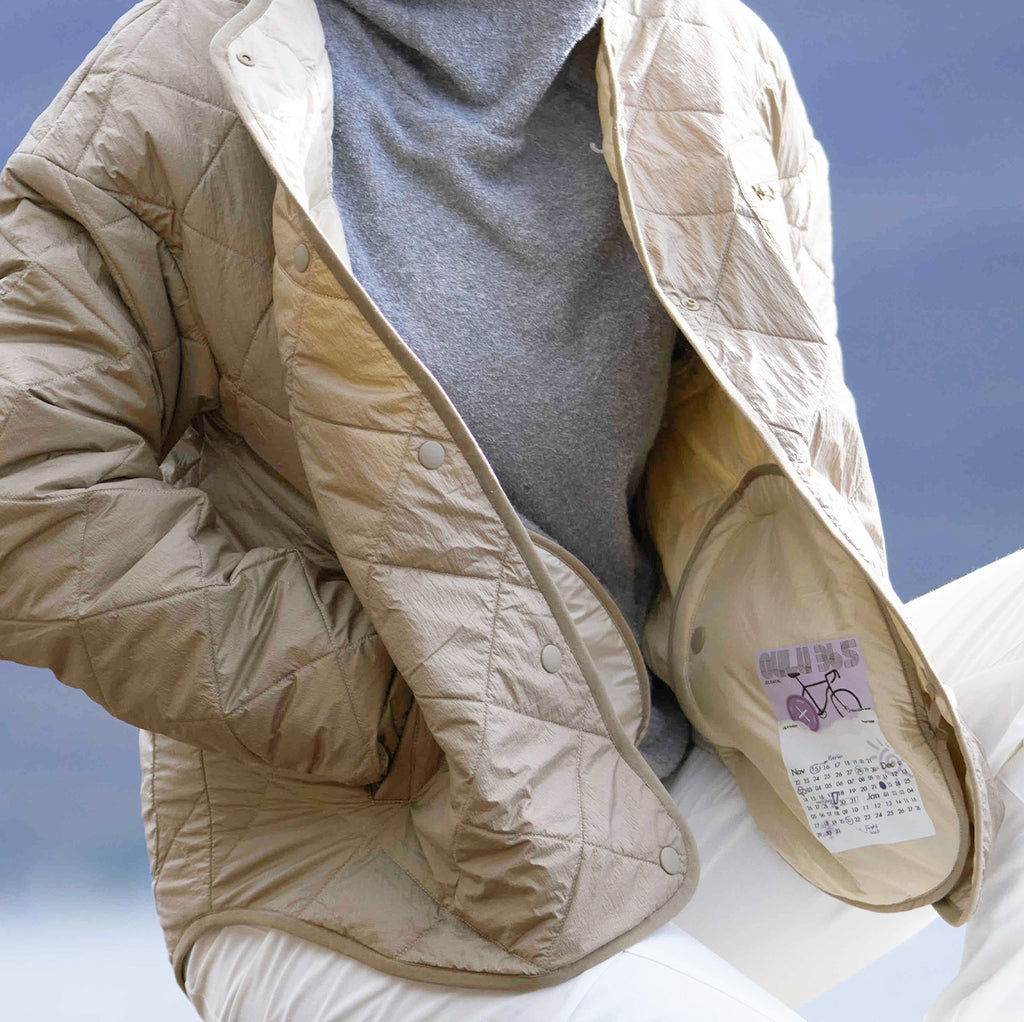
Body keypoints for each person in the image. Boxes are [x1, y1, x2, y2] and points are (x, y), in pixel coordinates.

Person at [0, 0, 1016, 1018]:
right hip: (376, 879)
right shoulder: (173, 83)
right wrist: (389, 705)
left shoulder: (711, 51)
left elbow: (777, 473)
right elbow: (25, 487)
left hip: (683, 802)